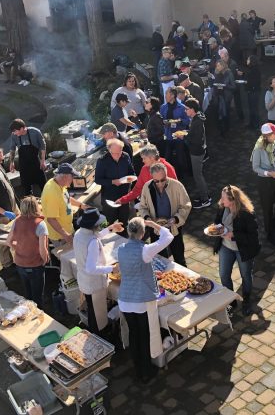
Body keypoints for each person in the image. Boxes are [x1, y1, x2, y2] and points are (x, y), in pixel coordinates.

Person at [117, 217, 173, 384]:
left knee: (134, 335)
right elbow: (168, 237)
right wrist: (153, 224)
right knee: (144, 335)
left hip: (125, 299)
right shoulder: (145, 250)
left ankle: (138, 370)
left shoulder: (120, 248)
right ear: (142, 234)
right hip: (141, 301)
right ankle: (146, 370)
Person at [73, 208, 124, 335]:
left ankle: (94, 331)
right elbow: (91, 268)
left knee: (92, 309)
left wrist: (111, 228)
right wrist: (112, 268)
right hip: (94, 284)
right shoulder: (93, 242)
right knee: (98, 315)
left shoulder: (79, 233)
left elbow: (96, 235)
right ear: (94, 225)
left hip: (84, 281)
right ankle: (98, 335)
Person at [214, 185, 261, 316]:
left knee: (246, 276)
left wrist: (234, 235)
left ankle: (246, 301)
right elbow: (218, 222)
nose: (221, 201)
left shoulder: (246, 214)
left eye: (224, 198)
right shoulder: (223, 208)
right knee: (224, 275)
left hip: (242, 250)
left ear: (233, 200)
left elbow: (253, 236)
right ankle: (231, 301)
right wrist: (216, 229)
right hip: (225, 247)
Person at [136, 162, 192, 266]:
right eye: (156, 181)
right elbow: (143, 207)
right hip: (156, 228)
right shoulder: (147, 187)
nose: (160, 184)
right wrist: (148, 219)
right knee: (160, 259)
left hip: (174, 227)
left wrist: (176, 219)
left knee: (179, 258)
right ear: (152, 177)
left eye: (163, 180)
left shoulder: (177, 185)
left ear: (166, 175)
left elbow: (186, 205)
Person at [6, 196, 49, 306]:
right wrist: (44, 260)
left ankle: (29, 312)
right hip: (35, 265)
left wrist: (18, 248)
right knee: (38, 297)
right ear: (36, 207)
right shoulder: (40, 224)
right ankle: (39, 316)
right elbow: (42, 248)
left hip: (20, 264)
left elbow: (8, 241)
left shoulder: (16, 221)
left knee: (28, 294)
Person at [251, 123, 275, 246]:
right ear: (267, 136)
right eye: (274, 134)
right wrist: (268, 173)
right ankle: (270, 233)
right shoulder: (258, 149)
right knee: (267, 209)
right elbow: (255, 167)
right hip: (265, 181)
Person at [95, 138, 135, 234]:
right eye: (115, 153)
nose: (118, 155)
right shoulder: (102, 161)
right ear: (109, 150)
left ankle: (124, 240)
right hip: (109, 196)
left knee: (124, 220)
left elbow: (132, 172)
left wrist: (130, 178)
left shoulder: (125, 156)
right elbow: (98, 180)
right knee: (110, 222)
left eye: (120, 152)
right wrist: (112, 182)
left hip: (124, 194)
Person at [40, 162, 82, 246]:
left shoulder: (59, 183)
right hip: (60, 236)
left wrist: (81, 205)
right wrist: (66, 235)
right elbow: (51, 219)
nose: (73, 179)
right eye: (72, 176)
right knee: (67, 257)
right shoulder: (52, 192)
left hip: (68, 229)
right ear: (65, 176)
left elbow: (66, 197)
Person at [8, 119, 47, 197]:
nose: (14, 133)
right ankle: (30, 205)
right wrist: (11, 162)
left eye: (15, 131)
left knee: (43, 185)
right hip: (23, 164)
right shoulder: (14, 135)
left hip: (36, 162)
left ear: (22, 128)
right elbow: (12, 149)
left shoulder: (35, 132)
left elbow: (43, 146)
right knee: (26, 188)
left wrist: (43, 161)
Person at [183, 98, 210, 209]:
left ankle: (205, 200)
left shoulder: (197, 121)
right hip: (198, 150)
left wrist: (184, 137)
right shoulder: (196, 118)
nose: (185, 111)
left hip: (196, 152)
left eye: (187, 109)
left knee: (198, 176)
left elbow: (196, 139)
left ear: (192, 110)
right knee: (199, 175)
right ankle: (205, 195)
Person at [160, 86, 189, 177]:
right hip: (167, 136)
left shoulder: (182, 107)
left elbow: (188, 121)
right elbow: (161, 120)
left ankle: (183, 175)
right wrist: (163, 122)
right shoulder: (163, 107)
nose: (165, 96)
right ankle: (170, 176)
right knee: (167, 158)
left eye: (166, 94)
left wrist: (180, 121)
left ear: (172, 95)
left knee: (180, 158)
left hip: (178, 136)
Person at [210, 60, 234, 136]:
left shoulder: (229, 74)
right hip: (217, 96)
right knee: (217, 112)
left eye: (218, 66)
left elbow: (233, 86)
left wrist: (225, 86)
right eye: (216, 66)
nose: (217, 67)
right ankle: (219, 129)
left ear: (223, 66)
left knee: (225, 113)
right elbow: (214, 83)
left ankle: (226, 129)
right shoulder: (216, 73)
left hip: (225, 97)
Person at [242, 55, 262, 130]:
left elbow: (254, 81)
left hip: (254, 91)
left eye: (248, 59)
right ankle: (252, 123)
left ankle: (256, 124)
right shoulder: (252, 69)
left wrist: (246, 82)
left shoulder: (255, 70)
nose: (247, 61)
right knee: (251, 108)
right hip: (251, 91)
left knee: (254, 108)